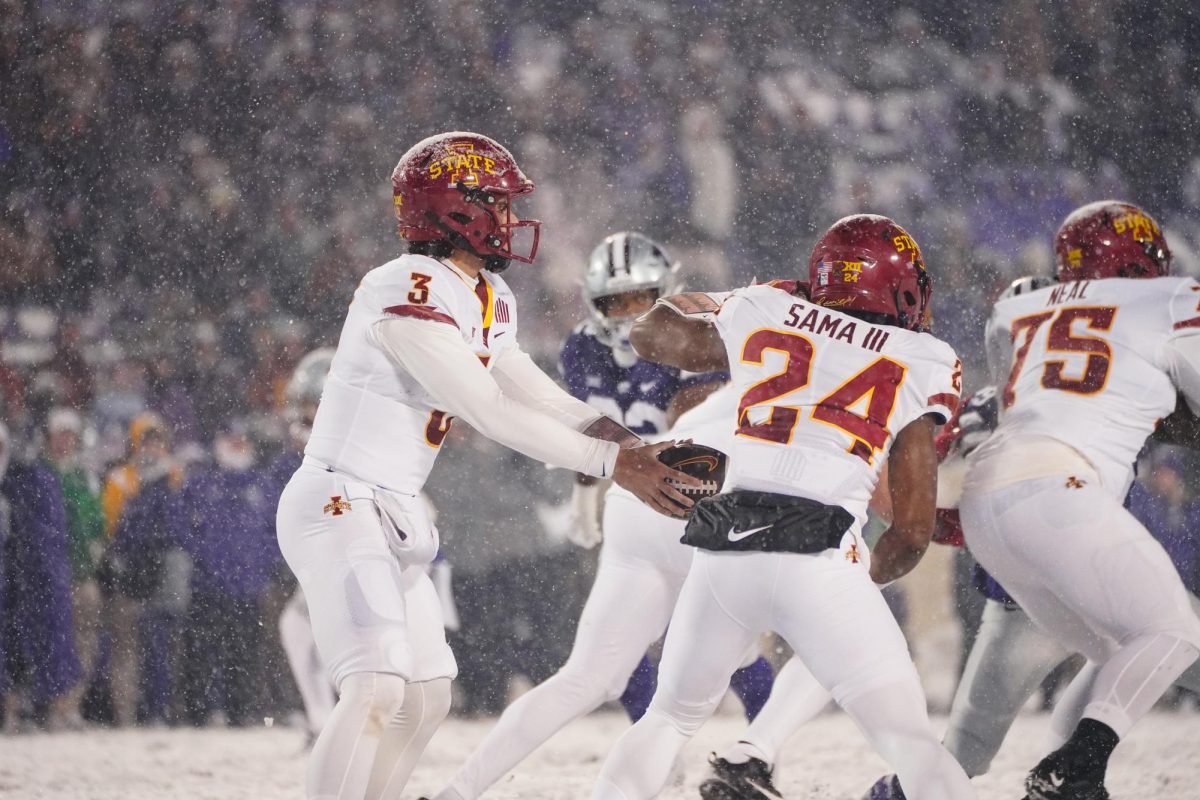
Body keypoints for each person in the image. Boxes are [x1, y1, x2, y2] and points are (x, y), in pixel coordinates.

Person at [275, 131, 699, 800]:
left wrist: (622, 440)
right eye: (495, 203)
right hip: (340, 501)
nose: (509, 219)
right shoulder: (401, 285)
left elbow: (526, 386)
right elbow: (486, 408)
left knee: (429, 696)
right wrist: (613, 463)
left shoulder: (487, 294)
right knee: (376, 686)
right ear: (451, 210)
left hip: (398, 506)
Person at [592, 214, 973, 800]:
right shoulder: (924, 355)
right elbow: (914, 529)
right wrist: (860, 583)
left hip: (725, 543)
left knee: (669, 719)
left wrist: (714, 299)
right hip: (820, 552)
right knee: (912, 744)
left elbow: (649, 332)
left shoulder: (767, 307)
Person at [959, 200, 1200, 800]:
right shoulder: (1170, 298)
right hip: (1060, 493)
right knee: (1176, 633)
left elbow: (1022, 396)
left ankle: (1066, 775)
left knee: (1125, 648)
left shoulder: (1015, 307)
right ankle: (1077, 768)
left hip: (987, 497)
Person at [271, 348, 338, 743]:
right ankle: (325, 721)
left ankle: (333, 722)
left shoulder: (339, 435)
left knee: (317, 633)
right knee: (301, 628)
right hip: (341, 542)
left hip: (359, 539)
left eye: (310, 403)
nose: (301, 413)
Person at [42, 407, 106, 728]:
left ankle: (73, 705)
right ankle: (56, 705)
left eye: (71, 435)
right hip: (55, 575)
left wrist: (94, 551)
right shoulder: (44, 473)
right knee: (58, 640)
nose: (66, 441)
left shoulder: (82, 476)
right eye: (61, 434)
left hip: (83, 573)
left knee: (86, 641)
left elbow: (96, 520)